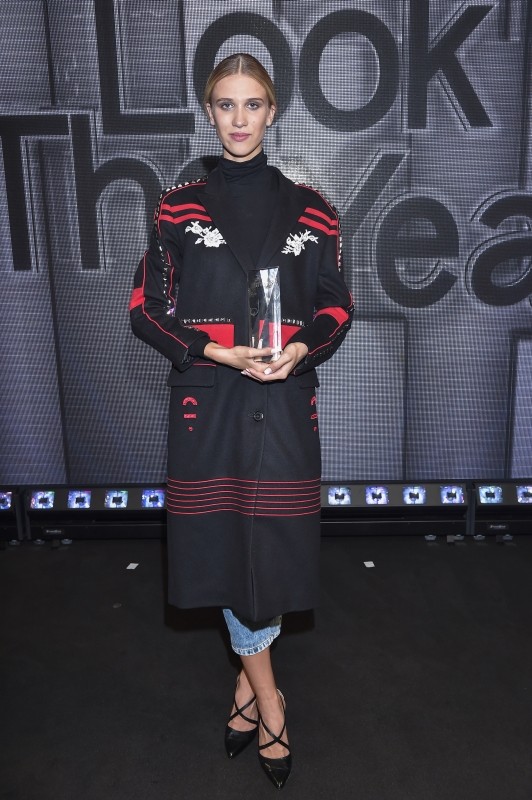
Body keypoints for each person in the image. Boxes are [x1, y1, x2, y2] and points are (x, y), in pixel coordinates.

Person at [130, 53, 353, 789]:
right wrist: (216, 352)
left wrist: (300, 349)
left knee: (273, 557)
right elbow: (145, 311)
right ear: (208, 110)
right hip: (210, 407)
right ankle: (271, 700)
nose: (238, 119)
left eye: (252, 104)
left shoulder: (315, 209)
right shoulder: (177, 207)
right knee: (226, 552)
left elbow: (337, 304)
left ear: (273, 110)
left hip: (285, 403)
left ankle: (245, 692)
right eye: (225, 104)